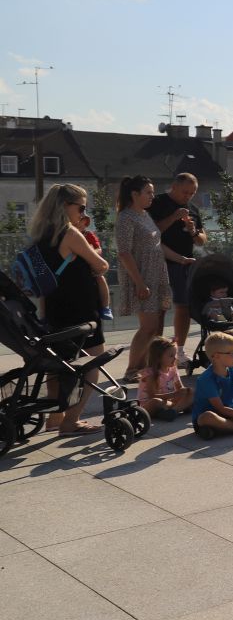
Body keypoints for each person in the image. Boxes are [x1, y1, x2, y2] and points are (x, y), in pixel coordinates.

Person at [31, 186, 109, 435]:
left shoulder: (41, 235)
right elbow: (102, 265)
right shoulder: (70, 234)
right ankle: (71, 420)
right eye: (81, 207)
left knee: (58, 365)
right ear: (65, 206)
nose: (83, 213)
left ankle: (55, 419)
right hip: (81, 310)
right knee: (93, 364)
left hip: (55, 309)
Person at [115, 175, 173, 376]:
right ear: (134, 194)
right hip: (143, 276)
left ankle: (148, 367)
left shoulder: (144, 214)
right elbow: (124, 252)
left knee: (155, 326)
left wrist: (180, 258)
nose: (152, 196)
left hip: (156, 274)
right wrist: (139, 283)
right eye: (148, 192)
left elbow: (155, 244)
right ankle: (133, 369)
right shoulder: (126, 217)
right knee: (148, 327)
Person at [147, 172, 206, 357]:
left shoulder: (193, 209)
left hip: (184, 262)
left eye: (192, 193)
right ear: (174, 186)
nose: (187, 196)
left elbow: (202, 241)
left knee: (184, 305)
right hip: (159, 262)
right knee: (160, 308)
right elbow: (151, 232)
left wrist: (193, 231)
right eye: (185, 192)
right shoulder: (157, 203)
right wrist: (173, 217)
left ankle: (179, 350)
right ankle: (156, 351)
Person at [138, 337, 192, 420]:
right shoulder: (150, 373)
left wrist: (185, 391)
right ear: (158, 357)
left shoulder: (173, 369)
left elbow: (180, 388)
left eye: (175, 355)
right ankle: (180, 408)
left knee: (192, 392)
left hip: (168, 402)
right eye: (171, 356)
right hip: (149, 405)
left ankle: (173, 411)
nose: (175, 358)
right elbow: (152, 396)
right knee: (156, 401)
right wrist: (174, 395)